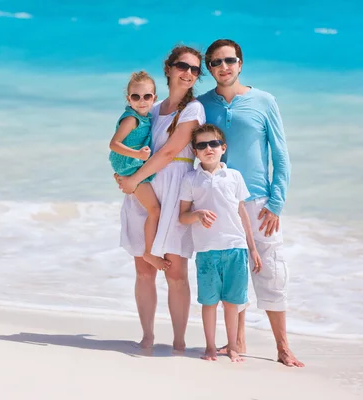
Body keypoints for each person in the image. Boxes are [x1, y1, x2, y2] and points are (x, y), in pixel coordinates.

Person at [197, 39, 304, 367]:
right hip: (220, 203)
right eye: (216, 62)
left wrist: (276, 201)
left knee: (271, 272)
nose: (223, 66)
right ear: (209, 68)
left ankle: (283, 347)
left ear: (240, 63)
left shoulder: (264, 101)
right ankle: (236, 341)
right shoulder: (201, 105)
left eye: (229, 60)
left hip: (259, 202)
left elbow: (281, 154)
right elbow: (182, 152)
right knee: (233, 273)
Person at [116, 46, 205, 351]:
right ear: (168, 68)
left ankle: (179, 342)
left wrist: (133, 180)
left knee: (176, 272)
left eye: (195, 69)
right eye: (183, 66)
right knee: (144, 270)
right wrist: (123, 177)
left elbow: (169, 152)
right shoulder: (151, 107)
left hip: (176, 185)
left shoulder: (193, 110)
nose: (189, 73)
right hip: (146, 187)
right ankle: (148, 336)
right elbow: (125, 145)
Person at [178, 124, 263, 362]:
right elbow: (182, 216)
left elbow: (242, 213)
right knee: (209, 302)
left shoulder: (234, 176)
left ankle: (234, 347)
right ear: (195, 151)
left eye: (213, 144)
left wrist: (253, 248)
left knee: (233, 302)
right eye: (202, 145)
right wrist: (197, 215)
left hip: (236, 248)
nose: (208, 149)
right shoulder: (191, 179)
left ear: (222, 148)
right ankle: (210, 347)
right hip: (206, 250)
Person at [109, 71, 170, 272]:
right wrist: (137, 154)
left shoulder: (146, 115)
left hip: (131, 166)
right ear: (129, 99)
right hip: (129, 166)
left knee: (153, 210)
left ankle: (148, 248)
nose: (141, 101)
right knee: (155, 210)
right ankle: (149, 252)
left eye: (147, 96)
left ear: (154, 97)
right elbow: (114, 144)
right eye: (136, 97)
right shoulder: (132, 119)